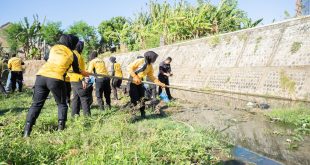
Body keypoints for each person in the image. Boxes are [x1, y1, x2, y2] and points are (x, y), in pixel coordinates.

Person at [23, 34, 90, 137]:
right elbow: (76, 70)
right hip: (56, 78)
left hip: (41, 76)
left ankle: (27, 132)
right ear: (72, 43)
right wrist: (85, 73)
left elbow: (46, 58)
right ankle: (60, 131)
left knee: (36, 104)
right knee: (62, 104)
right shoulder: (72, 54)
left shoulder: (53, 48)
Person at [127, 51, 166, 118]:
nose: (154, 60)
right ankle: (133, 115)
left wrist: (159, 83)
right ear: (149, 58)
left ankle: (143, 114)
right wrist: (135, 76)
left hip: (140, 83)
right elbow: (129, 68)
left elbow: (151, 76)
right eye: (153, 59)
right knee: (134, 99)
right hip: (132, 82)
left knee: (142, 98)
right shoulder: (140, 61)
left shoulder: (150, 66)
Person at [67, 41, 92, 117]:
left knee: (76, 98)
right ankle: (87, 117)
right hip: (78, 79)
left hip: (72, 79)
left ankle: (74, 115)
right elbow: (79, 70)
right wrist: (83, 79)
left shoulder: (71, 54)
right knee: (85, 98)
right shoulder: (78, 56)